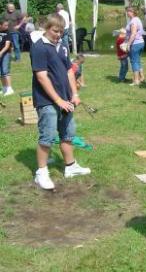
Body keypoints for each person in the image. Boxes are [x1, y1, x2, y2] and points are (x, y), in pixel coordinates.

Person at [30, 13, 90, 190]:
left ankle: (70, 166)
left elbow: (69, 71)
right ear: (47, 28)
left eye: (61, 32)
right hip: (46, 100)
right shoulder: (39, 47)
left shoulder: (62, 46)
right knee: (47, 136)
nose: (58, 35)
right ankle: (41, 173)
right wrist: (57, 99)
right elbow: (41, 76)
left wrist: (74, 94)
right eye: (55, 31)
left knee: (68, 133)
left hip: (65, 99)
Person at [125, 6, 145, 86]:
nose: (127, 13)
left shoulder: (133, 21)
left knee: (134, 62)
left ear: (131, 12)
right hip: (140, 42)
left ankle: (136, 80)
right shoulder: (137, 19)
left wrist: (128, 44)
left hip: (135, 43)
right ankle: (142, 77)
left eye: (128, 11)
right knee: (138, 60)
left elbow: (133, 34)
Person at [0, 18, 14, 96]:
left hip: (6, 54)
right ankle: (4, 87)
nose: (7, 26)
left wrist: (1, 53)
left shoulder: (8, 33)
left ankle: (9, 88)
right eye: (5, 25)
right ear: (0, 25)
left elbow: (7, 45)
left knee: (5, 71)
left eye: (7, 25)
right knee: (1, 72)